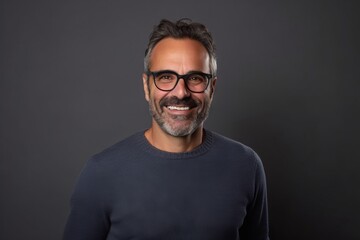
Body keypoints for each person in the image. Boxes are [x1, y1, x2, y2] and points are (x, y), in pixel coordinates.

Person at [63, 18, 269, 240]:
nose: (181, 92)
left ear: (212, 87)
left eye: (195, 78)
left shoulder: (246, 166)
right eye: (165, 77)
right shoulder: (101, 173)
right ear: (146, 86)